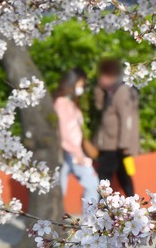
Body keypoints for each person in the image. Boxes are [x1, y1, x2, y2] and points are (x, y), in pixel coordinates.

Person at [53, 68, 99, 214]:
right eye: (81, 83)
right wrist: (78, 154)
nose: (82, 87)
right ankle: (90, 222)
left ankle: (54, 220)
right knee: (92, 184)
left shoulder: (66, 101)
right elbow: (66, 131)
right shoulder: (62, 103)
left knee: (60, 188)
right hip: (72, 152)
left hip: (70, 151)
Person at [93, 58, 140, 197]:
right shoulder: (110, 91)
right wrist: (99, 89)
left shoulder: (122, 91)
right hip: (110, 143)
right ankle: (131, 202)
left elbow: (127, 119)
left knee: (104, 176)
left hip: (115, 145)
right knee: (123, 176)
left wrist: (124, 144)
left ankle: (101, 207)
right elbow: (99, 106)